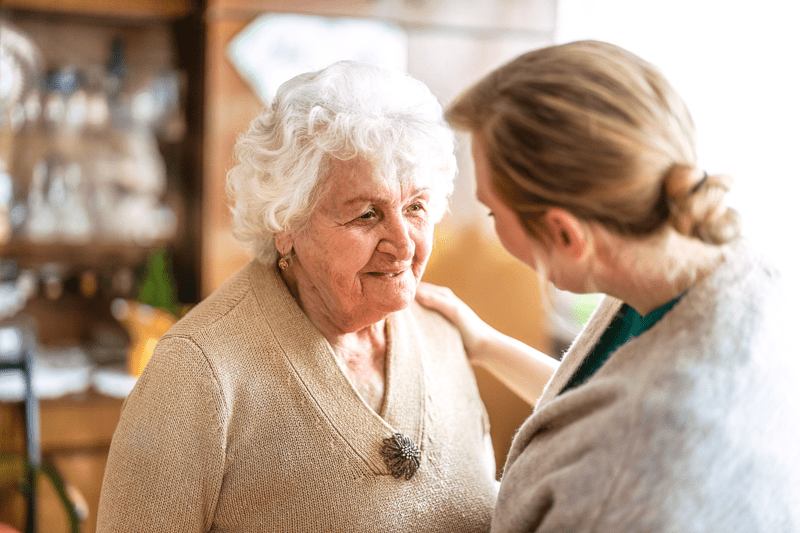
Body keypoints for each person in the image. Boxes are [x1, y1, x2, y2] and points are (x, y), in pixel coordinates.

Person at [97, 61, 498, 532]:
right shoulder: (197, 373)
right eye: (367, 215)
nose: (404, 244)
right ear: (285, 224)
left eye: (415, 208)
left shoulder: (443, 335)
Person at [416, 40, 800, 532]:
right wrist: (485, 344)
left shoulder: (631, 477)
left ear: (564, 234)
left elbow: (617, 439)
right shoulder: (703, 264)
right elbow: (594, 404)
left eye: (493, 212)